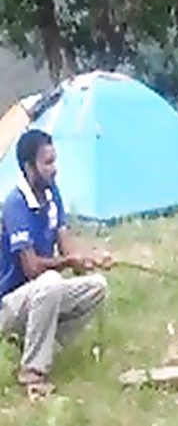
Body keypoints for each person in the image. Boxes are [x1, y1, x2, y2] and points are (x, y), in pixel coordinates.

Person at [0, 129, 113, 399]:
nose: (54, 168)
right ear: (29, 167)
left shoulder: (52, 194)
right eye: (47, 163)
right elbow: (31, 269)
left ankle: (39, 345)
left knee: (97, 287)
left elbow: (68, 250)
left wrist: (92, 258)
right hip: (8, 305)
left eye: (55, 161)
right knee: (50, 281)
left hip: (40, 296)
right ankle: (32, 372)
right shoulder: (15, 204)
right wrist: (70, 260)